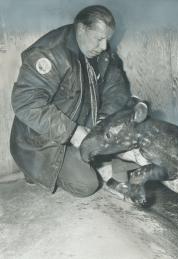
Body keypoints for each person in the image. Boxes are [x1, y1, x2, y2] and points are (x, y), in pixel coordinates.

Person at [10, 5, 132, 197]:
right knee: (86, 184)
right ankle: (32, 169)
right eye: (99, 39)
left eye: (107, 40)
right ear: (81, 28)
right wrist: (73, 132)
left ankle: (106, 168)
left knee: (134, 121)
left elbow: (116, 89)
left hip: (83, 126)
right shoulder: (48, 52)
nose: (104, 47)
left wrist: (103, 120)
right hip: (43, 141)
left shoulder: (101, 52)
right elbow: (26, 103)